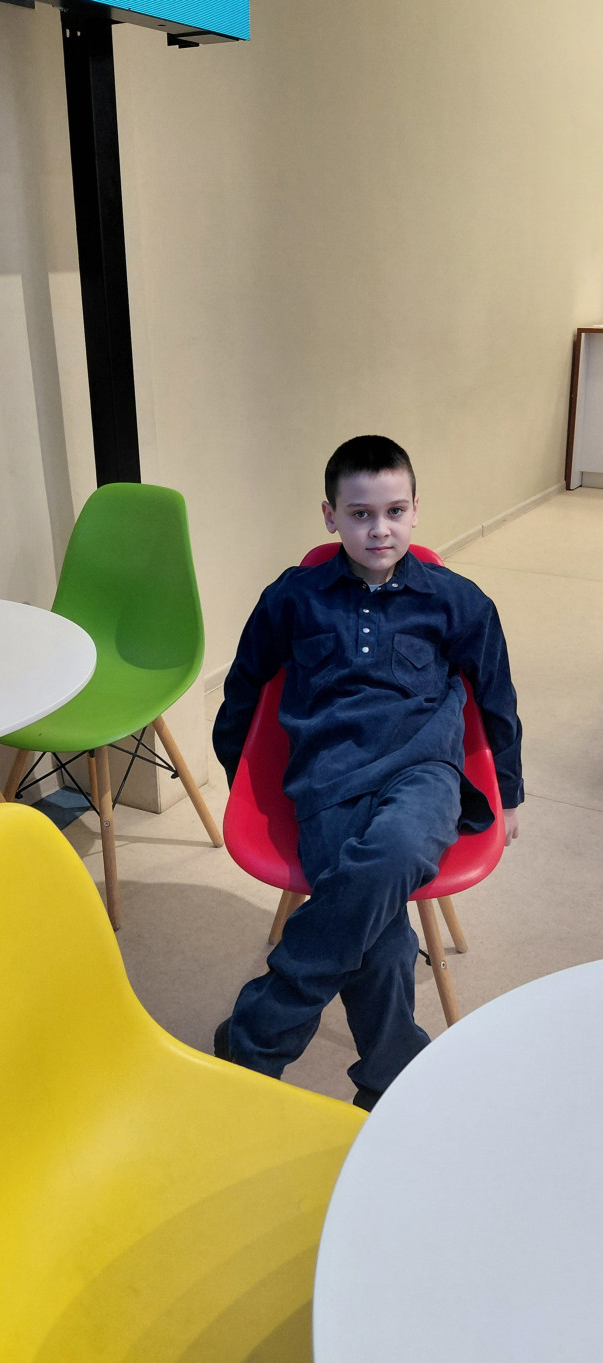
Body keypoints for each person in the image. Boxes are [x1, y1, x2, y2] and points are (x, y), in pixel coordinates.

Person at [212, 434, 522, 1110]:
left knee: (400, 851)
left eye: (394, 511)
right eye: (360, 514)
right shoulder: (293, 598)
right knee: (380, 940)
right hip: (327, 781)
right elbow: (243, 690)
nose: (379, 529)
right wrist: (242, 779)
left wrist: (511, 791)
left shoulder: (457, 600)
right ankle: (390, 1079)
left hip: (424, 770)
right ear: (330, 516)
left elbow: (496, 695)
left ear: (415, 510)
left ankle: (260, 1031)